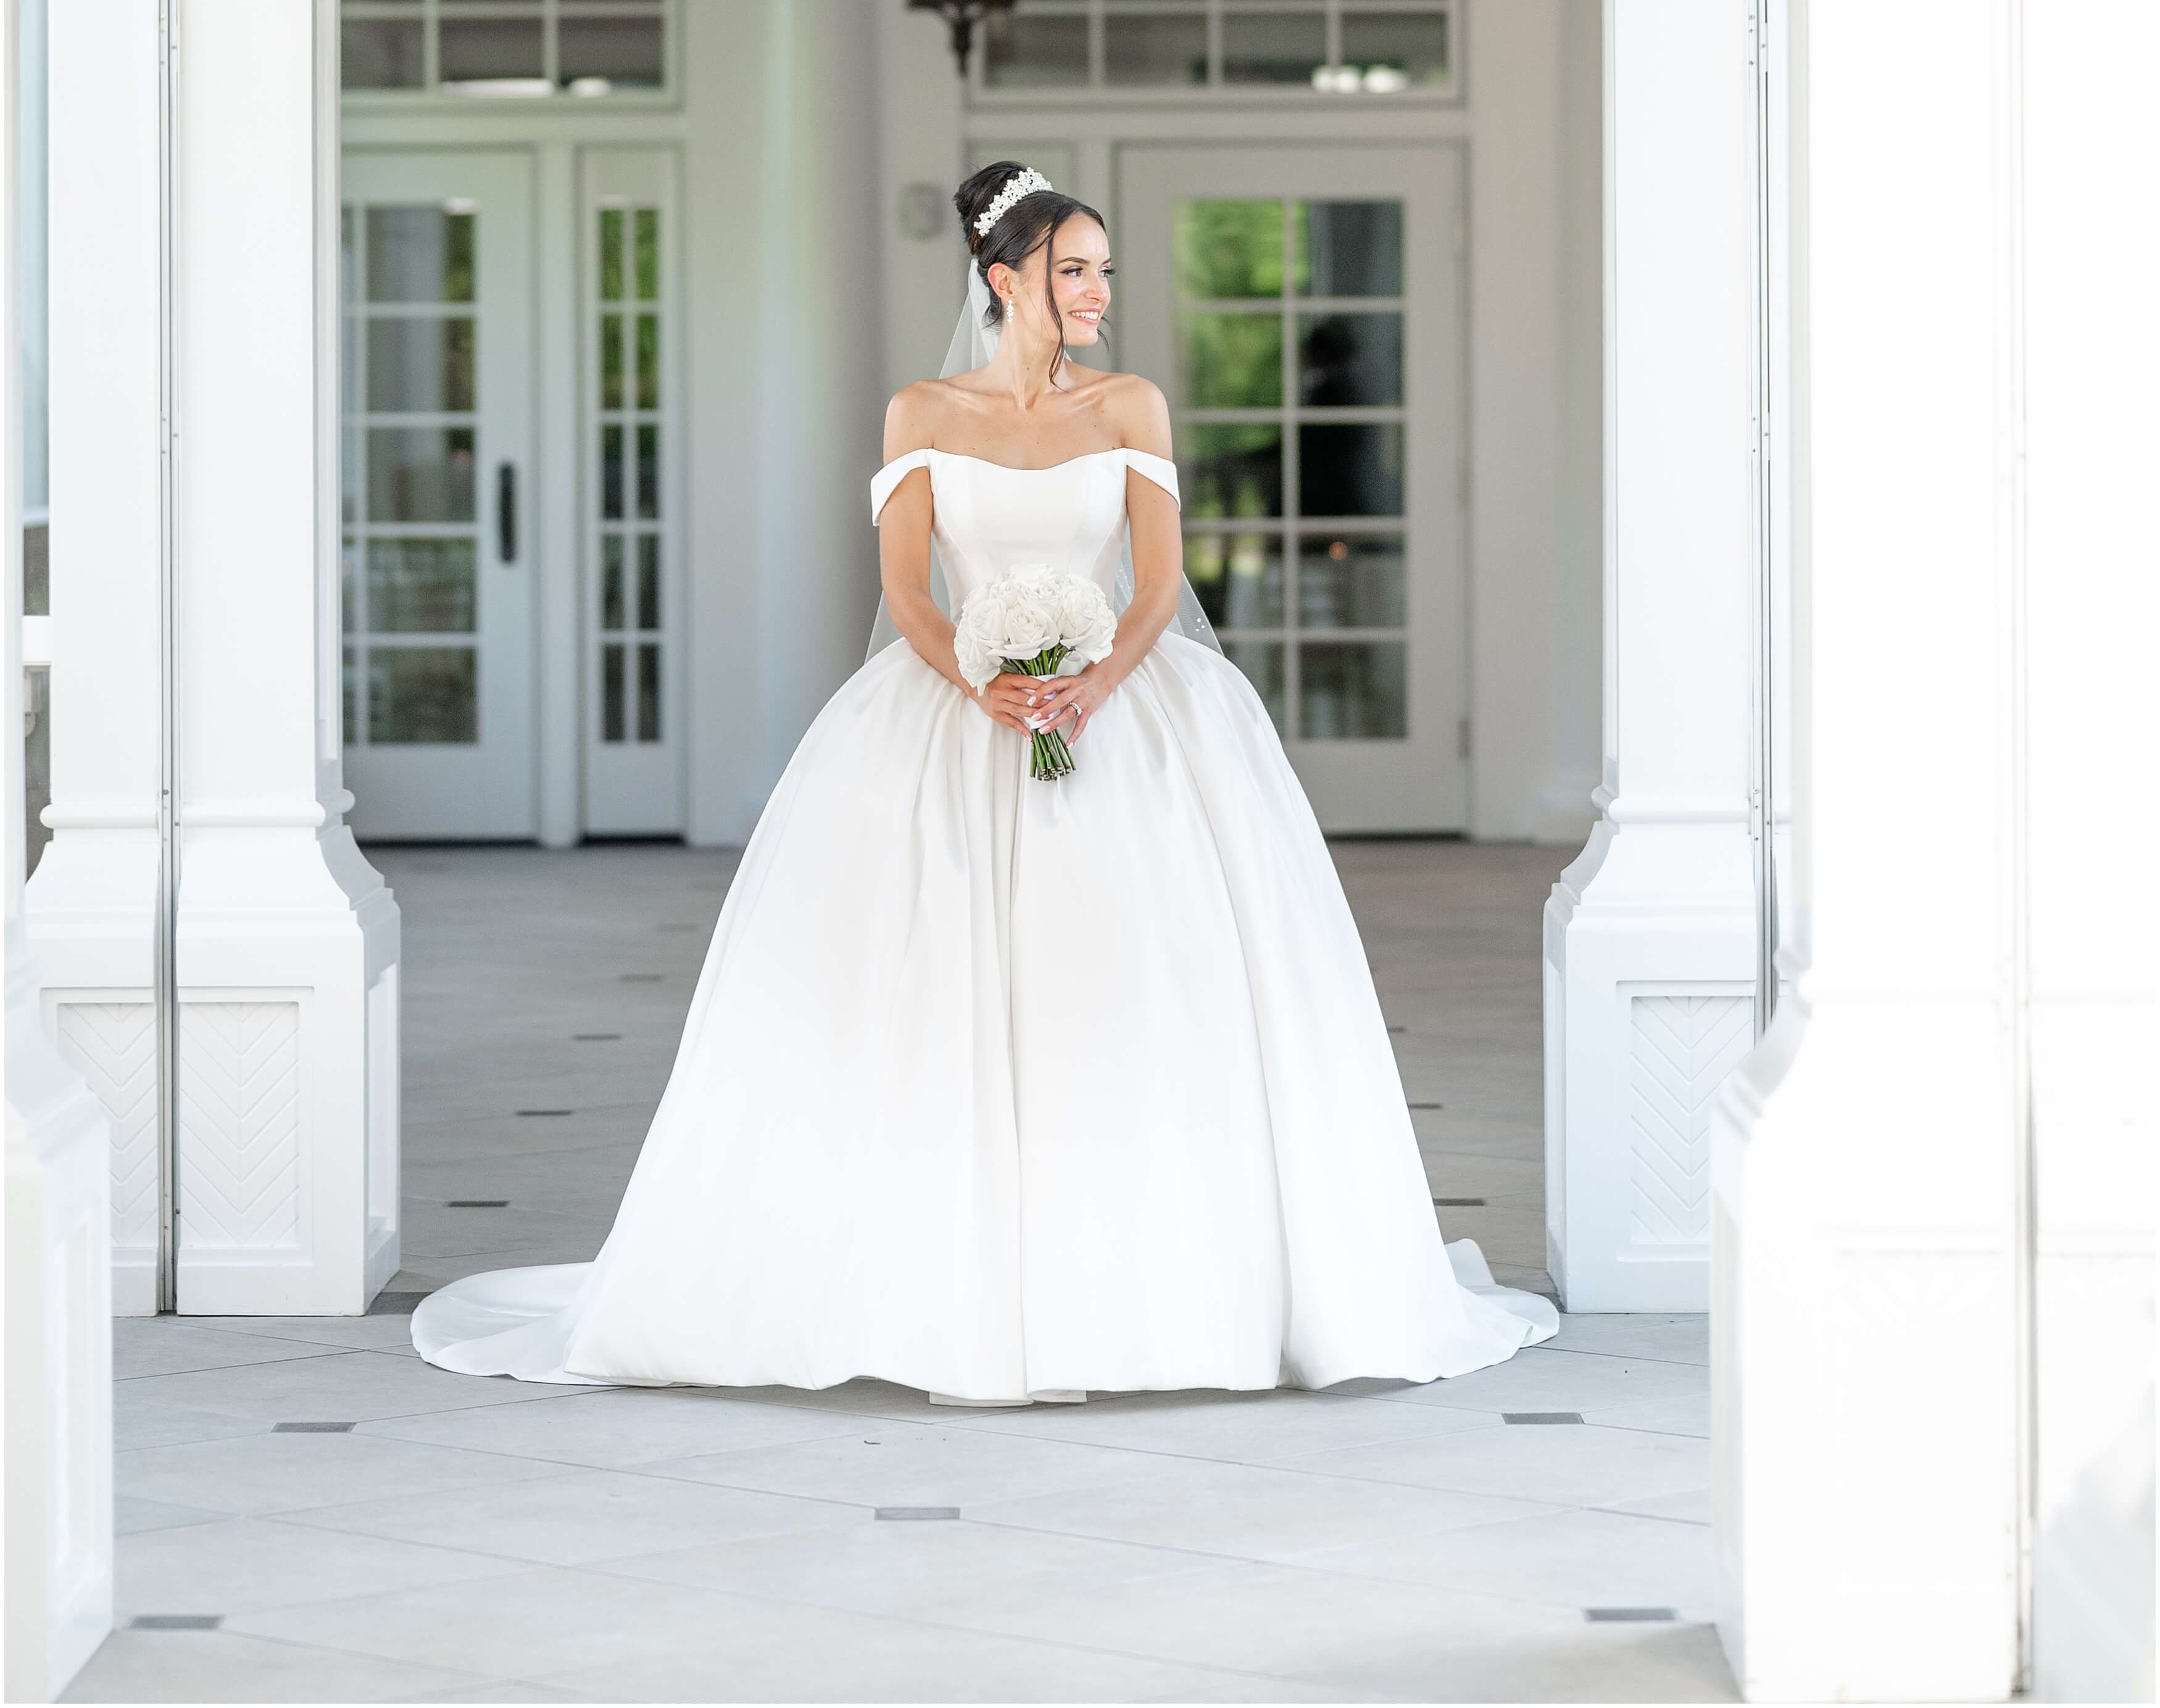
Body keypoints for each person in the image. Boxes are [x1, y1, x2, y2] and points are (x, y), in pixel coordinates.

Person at [407, 162, 1560, 1403]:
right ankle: (941, 1285)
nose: (1099, 291)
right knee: (926, 988)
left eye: (1104, 269)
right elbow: (907, 587)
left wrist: (1094, 682)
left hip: (1121, 710)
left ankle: (1155, 1286)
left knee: (1126, 983)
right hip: (955, 708)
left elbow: (1159, 582)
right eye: (1075, 270)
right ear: (1005, 280)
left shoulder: (1131, 405)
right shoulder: (920, 412)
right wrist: (981, 678)